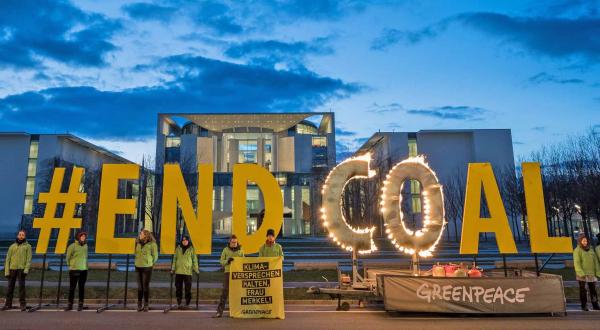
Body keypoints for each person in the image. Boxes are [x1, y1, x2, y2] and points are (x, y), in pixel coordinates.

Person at [214, 235, 244, 318]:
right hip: (228, 273)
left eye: (235, 242)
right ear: (229, 242)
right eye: (232, 242)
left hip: (237, 274)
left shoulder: (241, 250)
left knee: (238, 293)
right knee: (225, 292)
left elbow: (243, 261)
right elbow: (221, 261)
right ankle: (219, 312)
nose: (234, 244)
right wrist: (227, 261)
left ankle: (237, 312)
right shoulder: (225, 250)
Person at [2, 230, 32, 311]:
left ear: (25, 236)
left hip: (21, 270)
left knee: (21, 288)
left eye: (23, 235)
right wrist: (7, 271)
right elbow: (8, 259)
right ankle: (8, 304)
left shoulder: (28, 246)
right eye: (20, 234)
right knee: (10, 287)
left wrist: (26, 270)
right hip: (12, 269)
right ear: (17, 236)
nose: (21, 236)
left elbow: (28, 259)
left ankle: (23, 305)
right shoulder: (12, 246)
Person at [171, 235, 199, 310]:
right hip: (178, 271)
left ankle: (187, 302)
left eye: (186, 240)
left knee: (188, 288)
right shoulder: (178, 248)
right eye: (183, 240)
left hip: (187, 272)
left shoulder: (191, 249)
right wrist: (172, 269)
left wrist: (196, 270)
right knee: (178, 288)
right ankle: (179, 301)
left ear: (188, 241)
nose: (184, 242)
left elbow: (194, 260)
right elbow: (174, 259)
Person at [573, 235, 600, 311]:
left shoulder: (591, 250)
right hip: (582, 275)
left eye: (586, 241)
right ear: (580, 241)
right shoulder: (577, 250)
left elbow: (596, 262)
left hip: (591, 274)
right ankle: (584, 305)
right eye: (584, 241)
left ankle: (595, 305)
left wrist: (598, 272)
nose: (585, 242)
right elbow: (577, 263)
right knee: (583, 290)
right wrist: (581, 273)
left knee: (593, 290)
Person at [135, 229, 158, 312]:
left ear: (146, 235)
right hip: (138, 266)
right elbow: (136, 253)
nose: (139, 235)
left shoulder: (152, 244)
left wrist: (150, 262)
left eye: (141, 233)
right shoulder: (137, 242)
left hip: (147, 267)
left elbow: (155, 256)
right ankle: (139, 304)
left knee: (145, 287)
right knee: (140, 287)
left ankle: (146, 304)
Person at [65, 231, 88, 311]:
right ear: (78, 237)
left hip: (84, 270)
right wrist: (70, 266)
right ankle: (70, 304)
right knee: (72, 288)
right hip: (74, 270)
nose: (83, 238)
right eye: (82, 237)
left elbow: (86, 257)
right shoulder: (72, 246)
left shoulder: (86, 246)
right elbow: (67, 257)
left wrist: (85, 266)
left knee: (81, 288)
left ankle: (80, 304)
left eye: (84, 237)